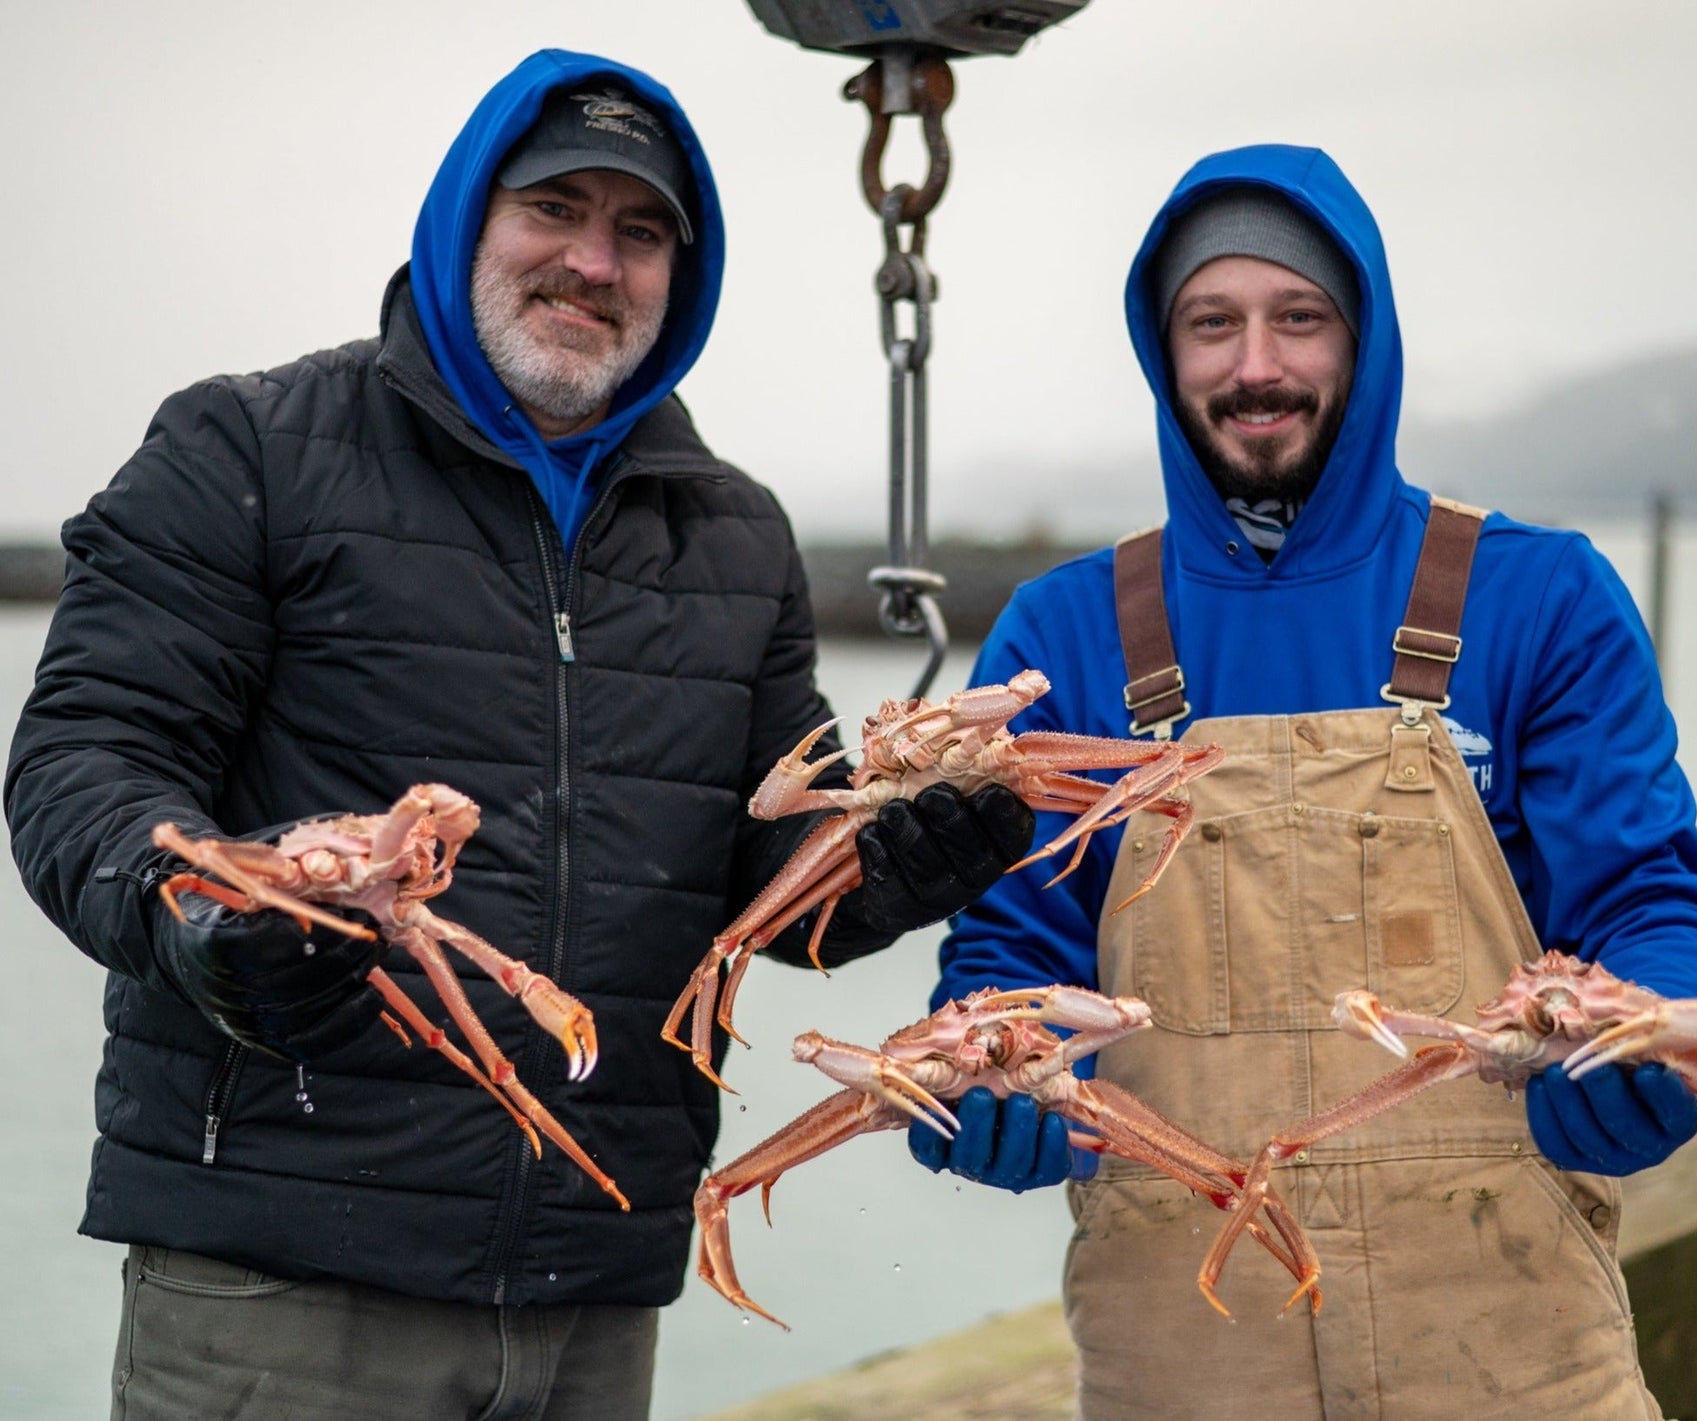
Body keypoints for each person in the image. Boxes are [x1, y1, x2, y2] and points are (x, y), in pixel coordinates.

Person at [5, 49, 1031, 1421]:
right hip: (282, 1284)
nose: (594, 262)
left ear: (683, 273)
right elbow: (83, 756)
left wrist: (894, 869)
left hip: (594, 1301)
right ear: (466, 220)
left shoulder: (734, 536)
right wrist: (192, 911)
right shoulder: (244, 449)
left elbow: (766, 892)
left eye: (642, 229)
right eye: (555, 208)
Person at [906, 146, 1697, 1418]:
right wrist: (974, 1079)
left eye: (1299, 317)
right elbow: (1011, 947)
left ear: (1365, 338)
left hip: (1513, 1353)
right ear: (1161, 350)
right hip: (1181, 1353)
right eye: (1211, 323)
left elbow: (1647, 898)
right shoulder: (1062, 634)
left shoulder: (1537, 594)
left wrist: (1648, 1040)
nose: (1255, 365)